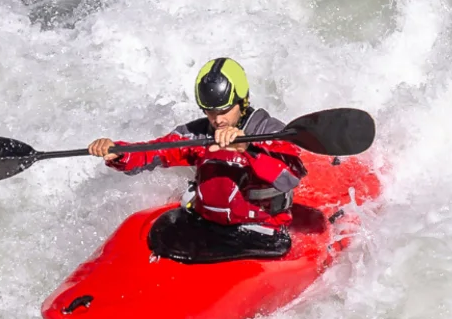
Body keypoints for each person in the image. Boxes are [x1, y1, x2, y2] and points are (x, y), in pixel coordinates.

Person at [87, 57, 308, 227]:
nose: (218, 120)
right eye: (210, 112)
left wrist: (246, 148)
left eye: (224, 111)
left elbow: (290, 177)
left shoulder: (270, 131)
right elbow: (155, 152)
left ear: (243, 102)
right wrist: (119, 153)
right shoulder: (199, 135)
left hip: (263, 228)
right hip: (211, 227)